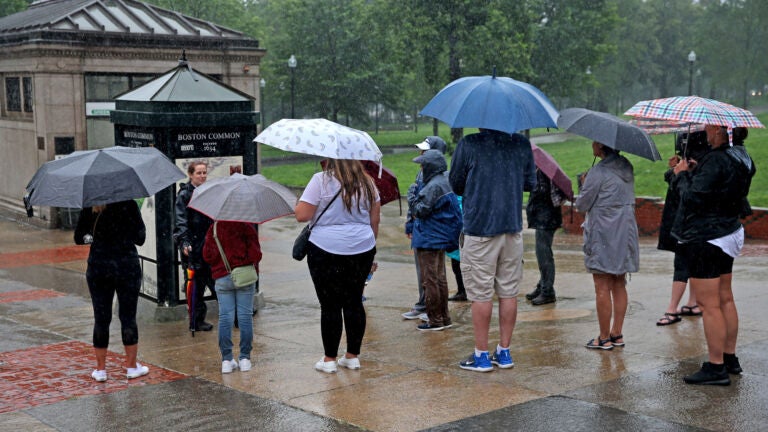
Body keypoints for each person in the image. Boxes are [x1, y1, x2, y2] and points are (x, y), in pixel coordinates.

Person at [673, 124, 755, 386]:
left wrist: (682, 175)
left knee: (709, 305)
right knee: (725, 298)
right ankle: (729, 358)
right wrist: (696, 170)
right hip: (729, 231)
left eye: (709, 128)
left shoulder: (717, 160)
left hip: (707, 236)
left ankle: (716, 366)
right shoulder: (741, 155)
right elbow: (718, 189)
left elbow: (694, 198)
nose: (705, 132)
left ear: (720, 131)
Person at [449, 128, 536, 372]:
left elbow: (455, 185)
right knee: (509, 291)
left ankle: (481, 356)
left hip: (480, 229)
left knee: (481, 293)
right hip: (511, 227)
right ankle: (504, 352)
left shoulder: (469, 144)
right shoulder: (520, 143)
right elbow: (530, 183)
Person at [295, 158, 380, 373]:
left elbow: (302, 215)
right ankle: (352, 356)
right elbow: (375, 220)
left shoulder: (320, 181)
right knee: (354, 301)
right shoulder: (368, 182)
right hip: (362, 247)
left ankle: (329, 358)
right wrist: (370, 250)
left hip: (325, 247)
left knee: (330, 304)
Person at [75, 200, 148, 381]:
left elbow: (79, 237)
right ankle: (131, 367)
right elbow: (140, 237)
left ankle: (100, 370)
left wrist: (93, 236)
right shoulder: (128, 204)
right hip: (126, 266)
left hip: (99, 267)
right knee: (128, 317)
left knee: (101, 318)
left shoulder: (91, 205)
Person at [575, 142, 639, 351]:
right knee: (619, 282)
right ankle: (616, 333)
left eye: (594, 142)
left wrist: (584, 183)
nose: (591, 144)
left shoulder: (598, 171)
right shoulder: (626, 166)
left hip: (603, 233)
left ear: (601, 146)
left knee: (601, 284)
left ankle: (603, 337)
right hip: (625, 231)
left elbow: (582, 205)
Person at [656, 131, 708, 326]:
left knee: (682, 264)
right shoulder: (694, 162)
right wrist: (676, 169)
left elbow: (685, 191)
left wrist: (681, 173)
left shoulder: (703, 166)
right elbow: (671, 179)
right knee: (692, 263)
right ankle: (692, 303)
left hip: (688, 222)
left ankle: (672, 309)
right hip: (688, 222)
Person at [409, 149, 463, 331]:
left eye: (423, 165)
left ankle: (435, 320)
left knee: (430, 280)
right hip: (439, 238)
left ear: (430, 166)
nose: (421, 168)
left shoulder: (432, 187)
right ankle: (444, 317)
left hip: (429, 239)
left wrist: (412, 197)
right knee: (440, 278)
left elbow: (420, 211)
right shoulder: (445, 180)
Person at [203, 221, 262, 374]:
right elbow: (257, 254)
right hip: (244, 277)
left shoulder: (214, 228)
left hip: (222, 278)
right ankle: (245, 359)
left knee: (225, 317)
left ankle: (227, 360)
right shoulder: (246, 226)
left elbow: (207, 255)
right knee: (245, 316)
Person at [403, 136, 448, 320]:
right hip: (425, 230)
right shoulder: (424, 173)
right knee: (431, 273)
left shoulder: (437, 178)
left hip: (430, 232)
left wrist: (411, 200)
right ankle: (429, 307)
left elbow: (421, 207)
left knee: (431, 274)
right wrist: (409, 223)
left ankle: (432, 311)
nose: (421, 154)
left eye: (426, 150)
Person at [173, 160, 215, 332]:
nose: (202, 176)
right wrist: (184, 241)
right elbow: (180, 221)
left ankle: (233, 312)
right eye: (199, 173)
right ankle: (197, 319)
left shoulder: (209, 192)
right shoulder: (184, 195)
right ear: (191, 174)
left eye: (204, 172)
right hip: (193, 247)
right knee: (195, 283)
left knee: (215, 280)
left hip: (209, 245)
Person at [525, 169, 565, 305]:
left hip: (546, 219)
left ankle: (547, 291)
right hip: (543, 219)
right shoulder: (539, 173)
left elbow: (547, 195)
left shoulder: (544, 174)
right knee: (542, 254)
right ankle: (542, 286)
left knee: (544, 256)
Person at [447, 196, 467, 302]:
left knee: (458, 265)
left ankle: (463, 291)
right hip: (459, 228)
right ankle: (462, 291)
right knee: (457, 264)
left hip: (459, 229)